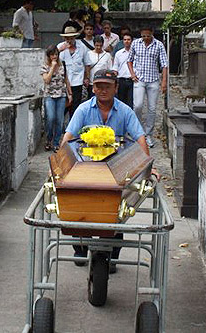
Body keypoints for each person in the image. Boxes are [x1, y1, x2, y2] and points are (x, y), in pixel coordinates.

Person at [60, 69, 149, 269]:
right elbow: (67, 139)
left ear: (116, 88)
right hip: (86, 167)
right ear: (93, 88)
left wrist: (146, 168)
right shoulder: (83, 110)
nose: (102, 90)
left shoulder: (125, 111)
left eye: (107, 86)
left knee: (117, 211)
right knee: (80, 206)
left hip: (115, 168)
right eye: (98, 86)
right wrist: (61, 164)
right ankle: (80, 248)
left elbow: (140, 138)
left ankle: (112, 255)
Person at [127, 26, 169, 148]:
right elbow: (129, 60)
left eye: (148, 36)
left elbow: (164, 64)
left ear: (152, 33)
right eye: (143, 36)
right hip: (139, 79)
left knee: (152, 108)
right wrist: (132, 74)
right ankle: (138, 132)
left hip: (153, 79)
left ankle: (148, 134)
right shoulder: (136, 43)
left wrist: (164, 81)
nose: (145, 38)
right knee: (138, 106)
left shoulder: (159, 45)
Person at [41, 45, 71, 151]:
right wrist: (52, 68)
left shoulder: (62, 64)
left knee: (60, 120)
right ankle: (48, 139)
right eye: (52, 54)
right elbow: (46, 80)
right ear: (49, 56)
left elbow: (66, 79)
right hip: (49, 95)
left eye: (56, 54)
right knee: (50, 118)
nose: (54, 56)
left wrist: (69, 93)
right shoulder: (45, 66)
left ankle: (56, 142)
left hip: (61, 95)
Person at [58, 26, 86, 117]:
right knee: (63, 108)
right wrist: (59, 50)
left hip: (77, 81)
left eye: (71, 38)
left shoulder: (81, 47)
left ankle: (73, 129)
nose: (69, 40)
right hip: (63, 82)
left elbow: (87, 63)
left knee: (75, 108)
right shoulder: (59, 47)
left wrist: (86, 77)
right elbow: (51, 59)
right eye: (67, 38)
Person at [112, 33, 134, 107]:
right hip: (121, 80)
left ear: (132, 41)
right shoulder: (118, 53)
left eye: (128, 39)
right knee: (121, 102)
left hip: (132, 80)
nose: (126, 41)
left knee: (131, 102)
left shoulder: (136, 53)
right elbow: (115, 67)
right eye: (125, 40)